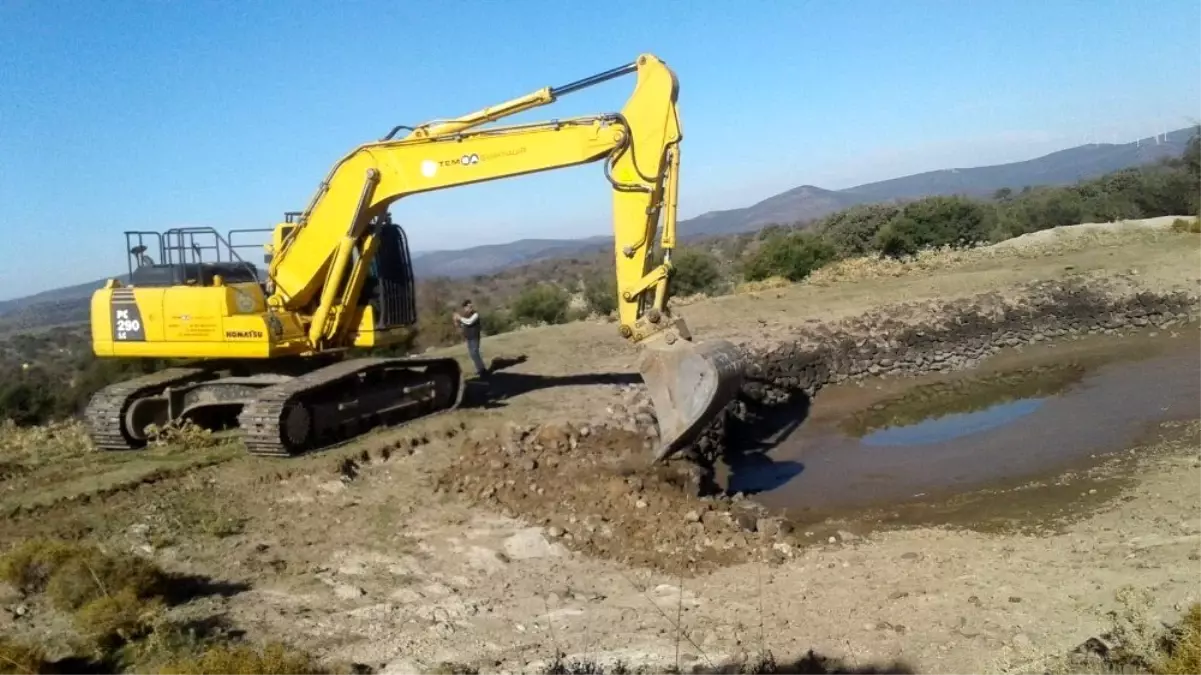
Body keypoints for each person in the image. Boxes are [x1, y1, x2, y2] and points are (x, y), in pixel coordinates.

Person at [453, 299, 488, 378]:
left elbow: (469, 322)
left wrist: (459, 318)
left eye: (471, 306)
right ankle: (480, 369)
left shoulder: (475, 314)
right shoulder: (465, 316)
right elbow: (462, 325)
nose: (470, 308)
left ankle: (483, 370)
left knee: (475, 353)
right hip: (469, 338)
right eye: (468, 307)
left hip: (475, 337)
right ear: (465, 308)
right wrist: (456, 321)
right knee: (473, 355)